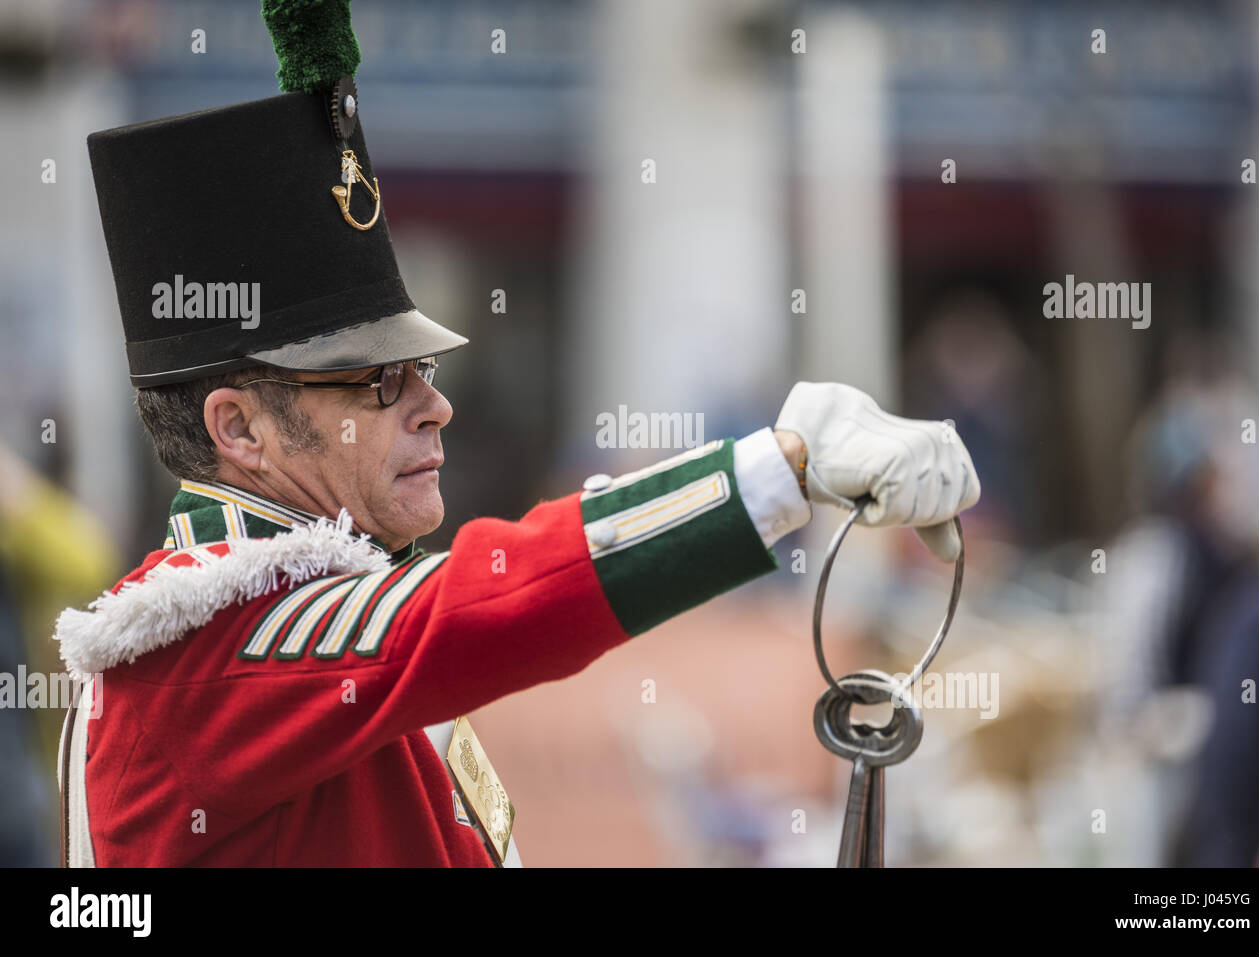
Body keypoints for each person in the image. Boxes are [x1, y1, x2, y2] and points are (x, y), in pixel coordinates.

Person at [54, 1, 980, 867]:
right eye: (380, 379)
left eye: (426, 370)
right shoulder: (195, 644)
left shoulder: (298, 618)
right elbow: (485, 600)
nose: (433, 404)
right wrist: (784, 468)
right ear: (240, 428)